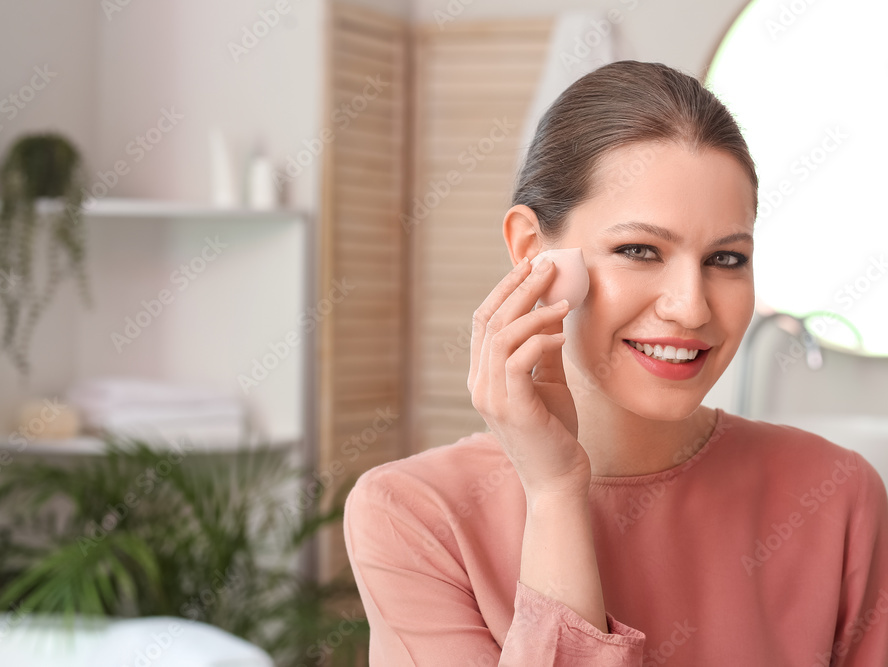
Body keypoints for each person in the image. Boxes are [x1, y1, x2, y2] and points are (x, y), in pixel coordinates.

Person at [342, 60, 888, 666]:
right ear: (533, 251)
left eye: (726, 259)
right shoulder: (415, 516)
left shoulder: (837, 494)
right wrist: (554, 494)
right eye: (639, 250)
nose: (690, 306)